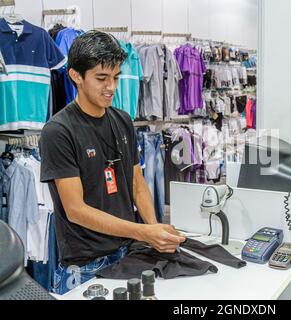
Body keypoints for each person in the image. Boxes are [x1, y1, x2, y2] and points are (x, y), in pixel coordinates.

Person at [39, 31, 185, 295]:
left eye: (116, 77)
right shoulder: (58, 131)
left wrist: (153, 230)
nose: (111, 87)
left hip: (128, 253)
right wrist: (143, 232)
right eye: (101, 78)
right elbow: (76, 210)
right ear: (76, 76)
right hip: (85, 265)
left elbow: (137, 183)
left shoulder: (122, 120)